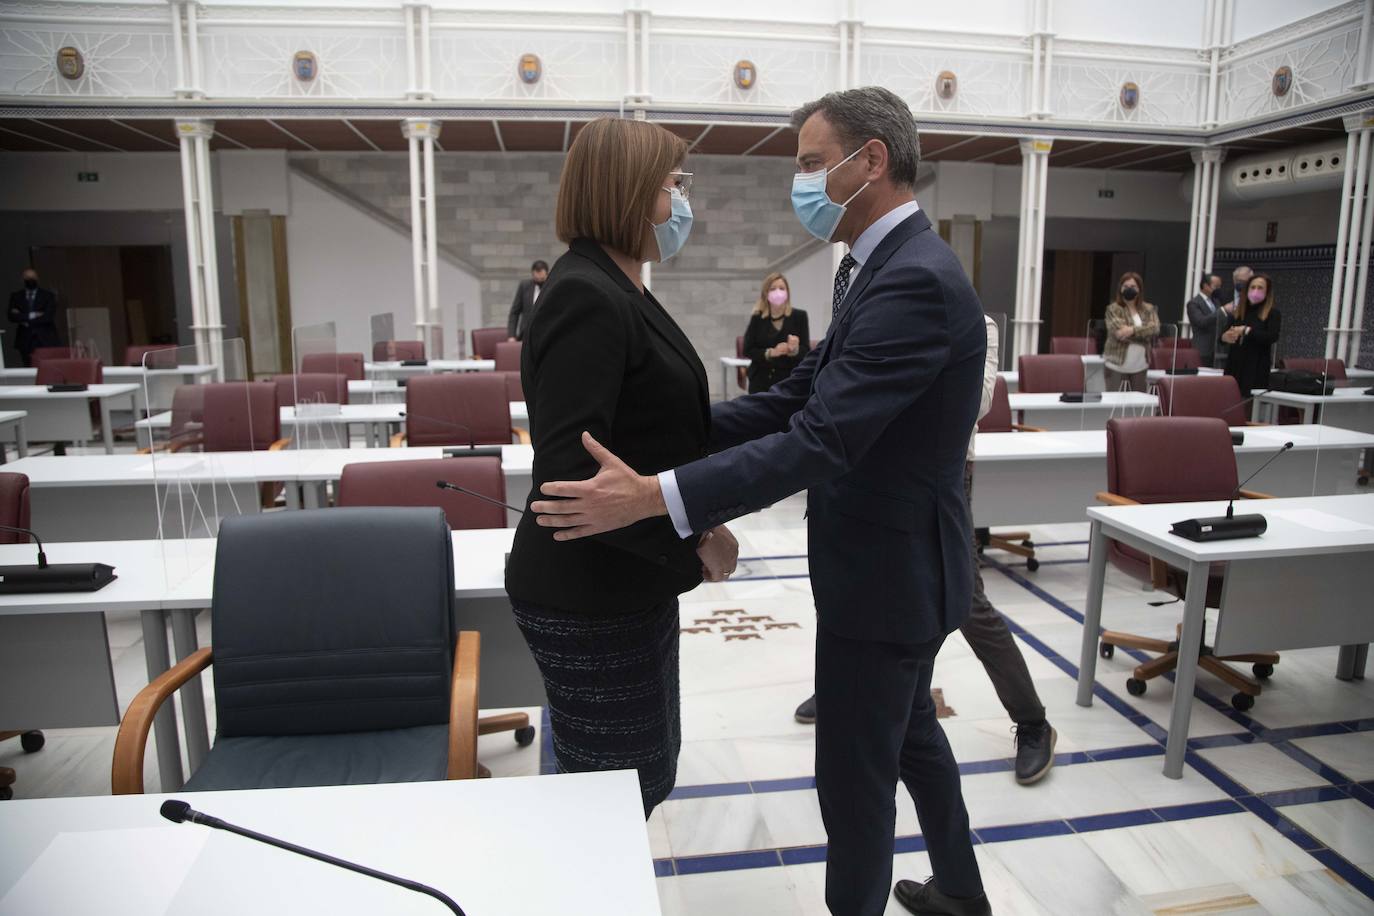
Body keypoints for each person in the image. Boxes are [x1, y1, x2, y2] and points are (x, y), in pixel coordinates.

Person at [531, 87, 991, 916]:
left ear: (871, 161)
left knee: (854, 780)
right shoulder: (876, 266)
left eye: (815, 165)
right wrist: (671, 442)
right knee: (912, 734)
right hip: (891, 570)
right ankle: (962, 889)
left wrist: (658, 495)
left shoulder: (914, 278)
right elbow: (798, 396)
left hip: (890, 579)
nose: (804, 183)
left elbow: (821, 439)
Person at [503, 118, 737, 819]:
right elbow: (579, 484)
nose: (680, 203)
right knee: (608, 798)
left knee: (637, 776)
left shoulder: (621, 285)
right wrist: (696, 538)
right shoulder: (586, 295)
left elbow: (653, 432)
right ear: (630, 194)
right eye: (672, 186)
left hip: (627, 582)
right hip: (590, 593)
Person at [794, 314, 1057, 789]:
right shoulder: (872, 310)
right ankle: (836, 690)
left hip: (939, 476)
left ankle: (1033, 721)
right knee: (855, 584)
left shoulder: (976, 324)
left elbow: (973, 402)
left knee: (967, 603)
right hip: (867, 475)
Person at [743, 272, 811, 393]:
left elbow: (806, 351)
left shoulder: (799, 316)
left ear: (787, 292)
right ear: (766, 293)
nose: (777, 292)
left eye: (781, 288)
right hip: (760, 381)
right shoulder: (757, 318)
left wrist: (794, 350)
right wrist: (771, 353)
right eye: (773, 289)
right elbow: (748, 350)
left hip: (788, 381)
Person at [1223, 272, 1281, 398]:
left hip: (1256, 367)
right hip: (1234, 365)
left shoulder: (1273, 313)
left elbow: (1272, 336)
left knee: (1250, 407)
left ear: (1267, 291)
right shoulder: (1238, 312)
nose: (1255, 291)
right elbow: (1222, 337)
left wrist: (1247, 331)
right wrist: (1225, 337)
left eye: (1260, 288)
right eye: (1252, 287)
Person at [1101, 272, 1159, 392]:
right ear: (1120, 289)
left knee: (1138, 405)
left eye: (1133, 287)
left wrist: (1131, 330)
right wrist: (1144, 333)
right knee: (1114, 405)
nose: (1129, 289)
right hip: (1116, 363)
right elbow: (1119, 333)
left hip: (1140, 365)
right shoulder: (1113, 309)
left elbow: (1155, 329)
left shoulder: (1148, 308)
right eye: (1126, 286)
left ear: (1139, 289)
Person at [7, 268, 62, 367]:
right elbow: (11, 317)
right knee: (28, 368)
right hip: (25, 339)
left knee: (48, 367)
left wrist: (24, 319)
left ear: (37, 278)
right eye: (27, 277)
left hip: (46, 338)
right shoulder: (16, 296)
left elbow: (48, 317)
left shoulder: (48, 296)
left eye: (32, 277)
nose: (30, 279)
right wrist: (32, 315)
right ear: (22, 279)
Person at [1186, 274, 1232, 368]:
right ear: (1205, 285)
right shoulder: (1194, 303)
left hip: (1217, 350)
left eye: (1220, 286)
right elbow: (1201, 322)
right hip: (1203, 349)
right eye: (1216, 286)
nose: (1218, 289)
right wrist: (1222, 310)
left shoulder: (1216, 301)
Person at [505, 259, 549, 341]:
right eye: (536, 278)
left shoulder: (552, 287)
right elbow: (515, 312)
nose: (539, 280)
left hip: (545, 334)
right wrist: (511, 335)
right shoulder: (524, 286)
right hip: (525, 334)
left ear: (547, 274)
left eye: (542, 278)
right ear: (532, 274)